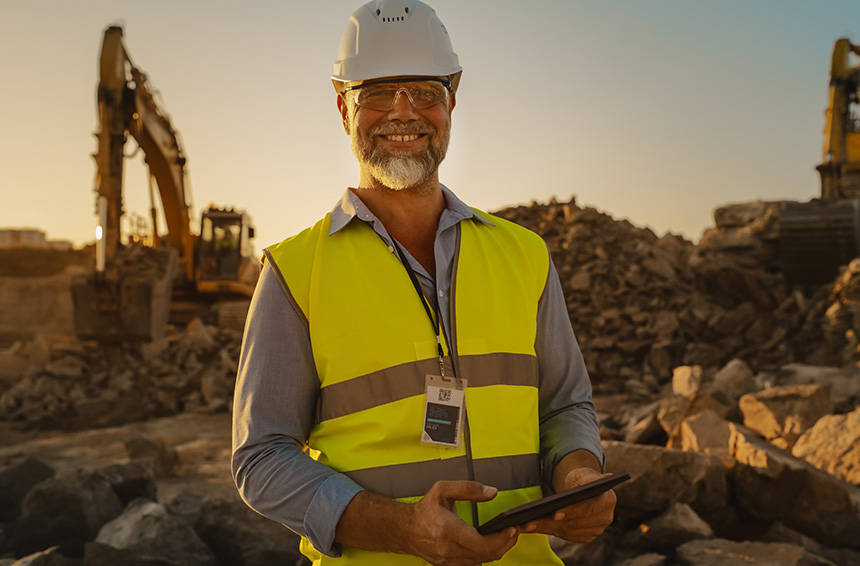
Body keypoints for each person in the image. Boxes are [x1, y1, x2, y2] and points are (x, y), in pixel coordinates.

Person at [231, 1, 616, 564]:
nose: (404, 113)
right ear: (343, 109)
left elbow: (565, 406)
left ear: (452, 103)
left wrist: (580, 471)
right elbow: (261, 457)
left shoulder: (524, 254)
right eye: (378, 94)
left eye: (425, 92)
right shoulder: (294, 271)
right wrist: (398, 528)